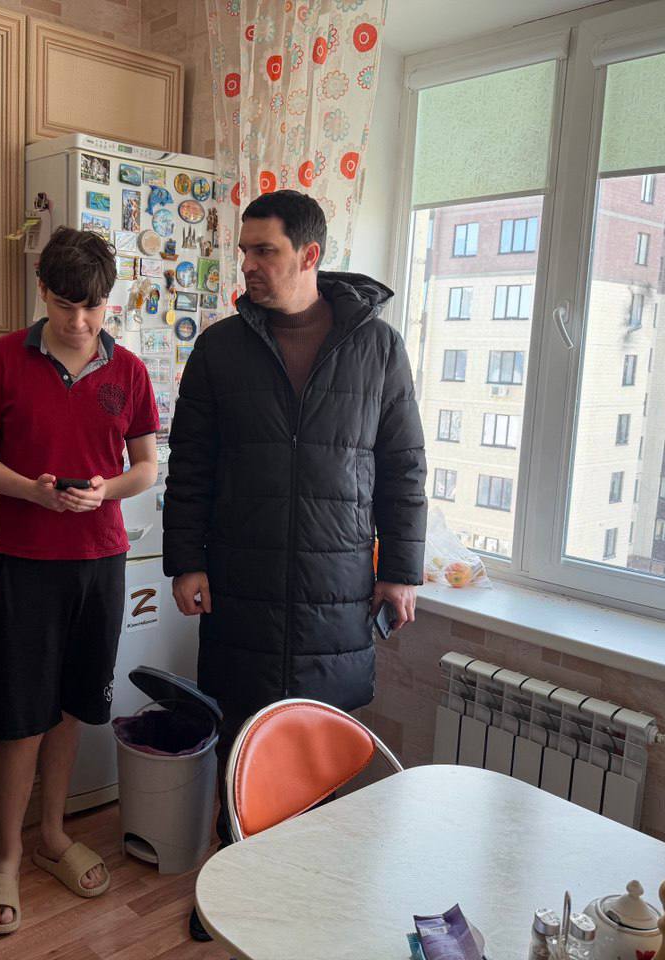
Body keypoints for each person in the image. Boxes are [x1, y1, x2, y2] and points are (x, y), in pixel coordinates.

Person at [162, 189, 428, 941]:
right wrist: (186, 561)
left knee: (322, 752)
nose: (247, 265)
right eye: (244, 250)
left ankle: (313, 906)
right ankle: (230, 897)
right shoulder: (219, 348)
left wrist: (401, 569)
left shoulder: (378, 348)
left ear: (309, 255)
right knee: (242, 748)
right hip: (239, 582)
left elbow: (404, 466)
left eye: (264, 251)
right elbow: (191, 466)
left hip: (335, 590)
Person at [0, 227, 159, 936]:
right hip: (27, 559)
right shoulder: (3, 359)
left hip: (100, 561)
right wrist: (32, 491)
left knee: (73, 708)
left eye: (94, 307)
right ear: (43, 291)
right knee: (22, 717)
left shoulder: (128, 371)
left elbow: (145, 467)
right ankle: (7, 855)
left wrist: (104, 490)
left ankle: (51, 836)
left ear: (108, 301)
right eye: (67, 305)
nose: (80, 321)